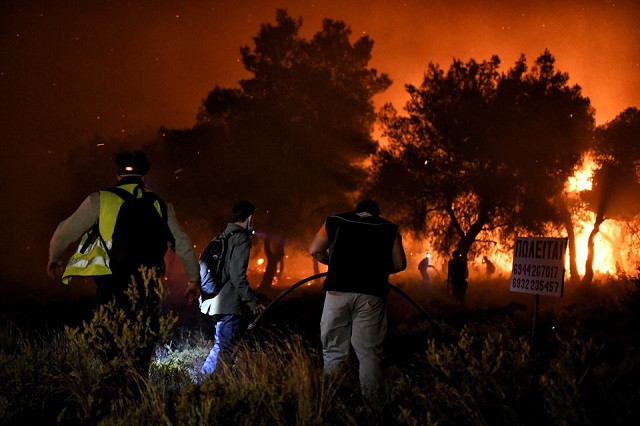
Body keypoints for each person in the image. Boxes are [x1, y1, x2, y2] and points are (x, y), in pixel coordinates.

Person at [47, 150, 201, 368]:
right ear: (144, 175)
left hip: (112, 288)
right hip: (149, 290)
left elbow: (64, 232)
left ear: (118, 174)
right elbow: (182, 244)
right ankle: (137, 390)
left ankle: (115, 391)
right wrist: (194, 279)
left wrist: (54, 258)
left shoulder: (100, 200)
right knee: (142, 348)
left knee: (111, 347)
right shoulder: (160, 205)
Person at [309, 199, 406, 399]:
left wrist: (333, 263)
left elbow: (315, 250)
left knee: (334, 349)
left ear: (357, 211)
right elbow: (399, 264)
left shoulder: (334, 221)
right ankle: (371, 404)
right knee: (369, 351)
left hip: (337, 291)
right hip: (372, 294)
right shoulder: (390, 229)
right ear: (376, 213)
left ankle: (333, 399)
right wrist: (375, 268)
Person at [199, 200, 266, 376]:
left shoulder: (222, 235)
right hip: (226, 302)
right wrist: (253, 302)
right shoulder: (241, 238)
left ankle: (202, 380)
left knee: (220, 345)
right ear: (250, 217)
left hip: (210, 300)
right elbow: (237, 276)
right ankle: (210, 385)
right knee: (225, 350)